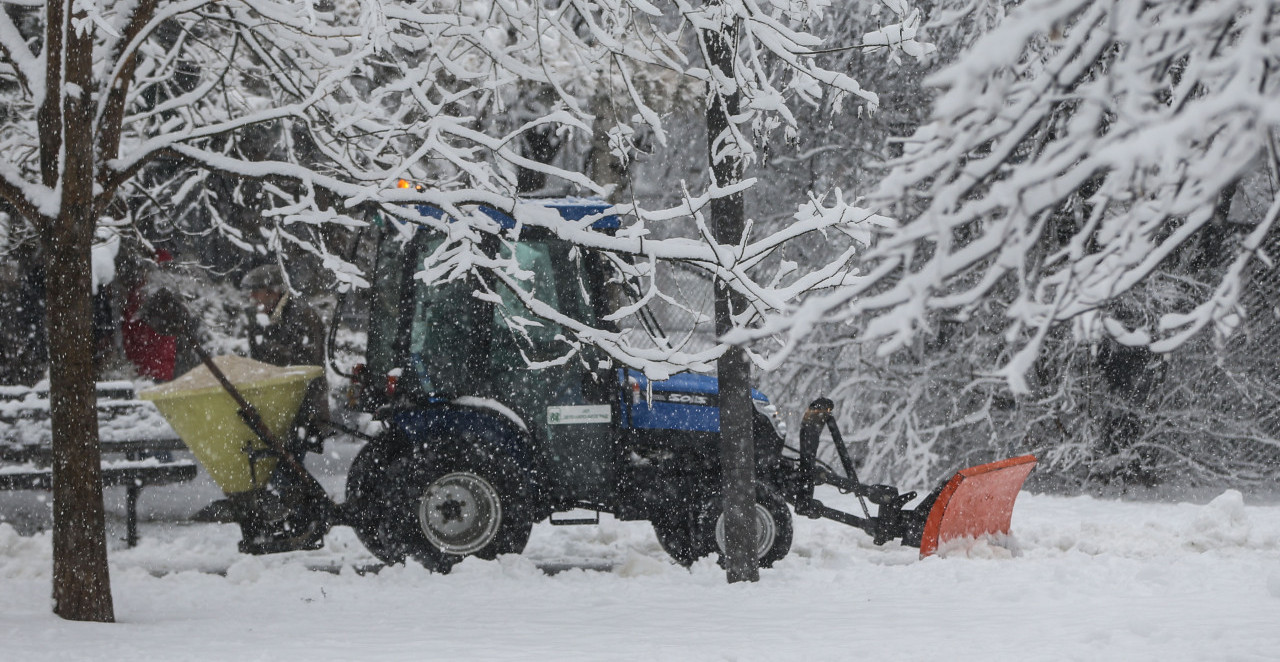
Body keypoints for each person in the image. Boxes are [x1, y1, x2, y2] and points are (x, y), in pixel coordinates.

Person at [240, 264, 331, 455]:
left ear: (273, 291)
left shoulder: (303, 317)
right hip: (276, 409)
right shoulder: (261, 320)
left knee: (288, 469)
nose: (252, 297)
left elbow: (306, 367)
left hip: (301, 409)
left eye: (256, 291)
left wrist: (274, 356)